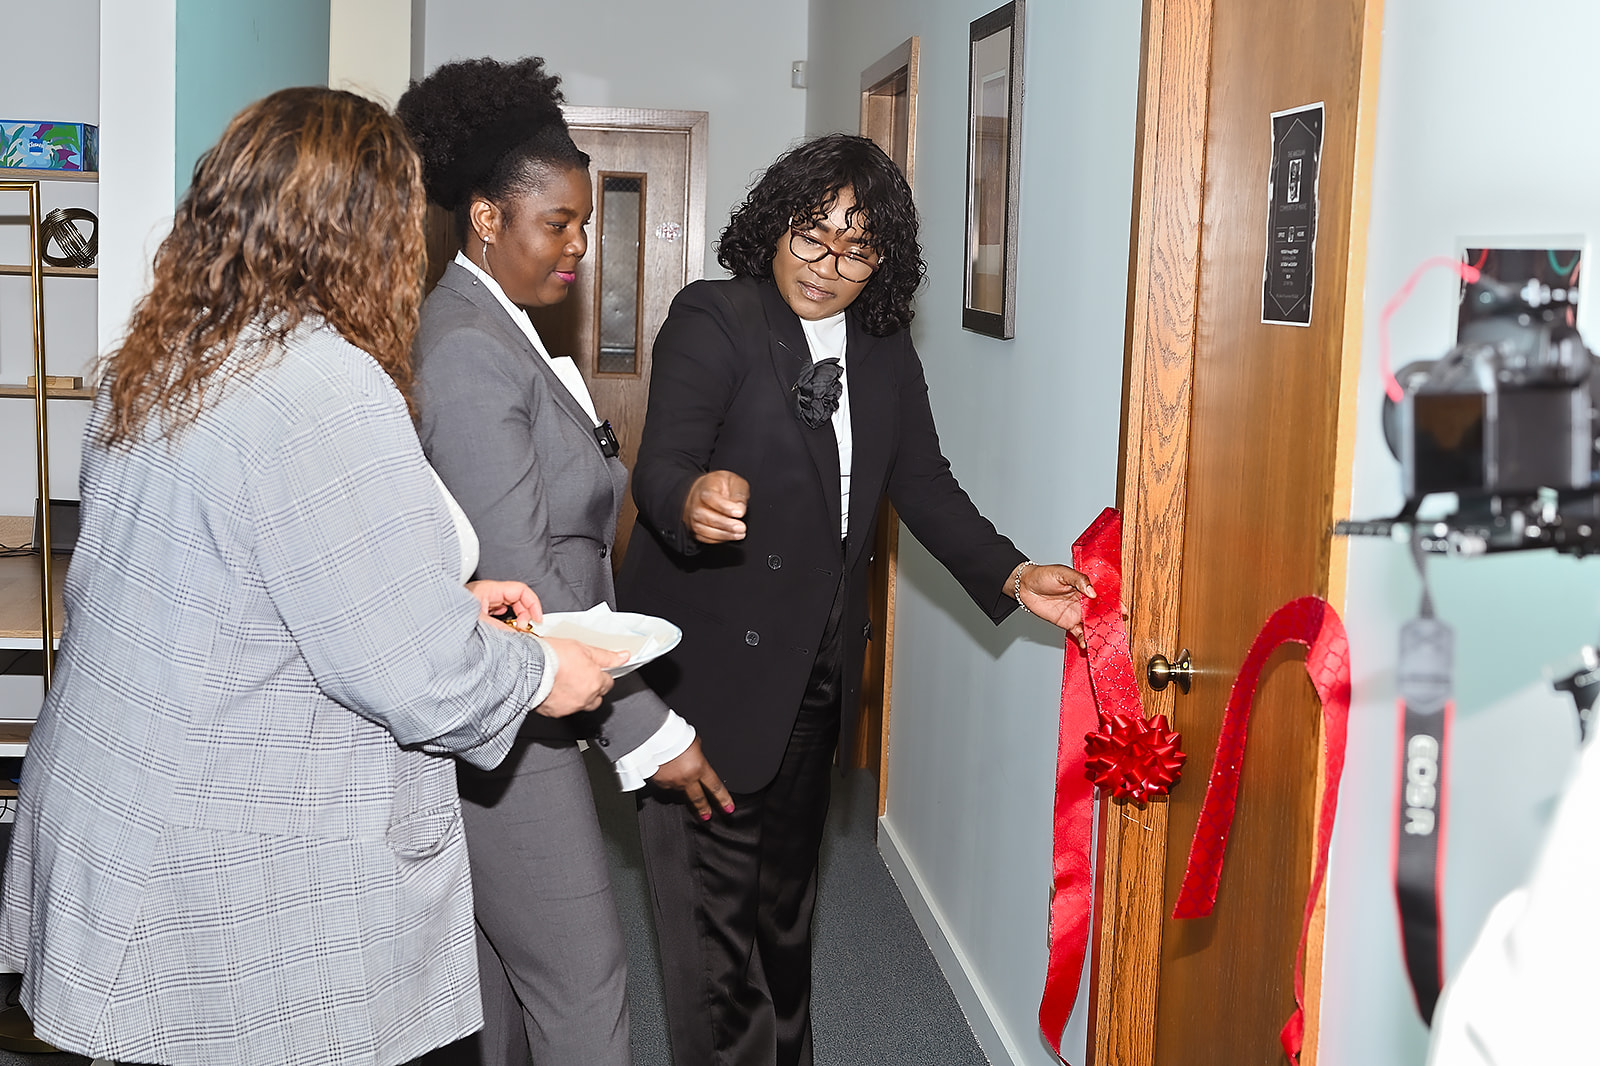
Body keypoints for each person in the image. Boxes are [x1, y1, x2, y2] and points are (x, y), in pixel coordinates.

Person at [0, 87, 625, 1066]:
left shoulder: (161, 358)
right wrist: (551, 672)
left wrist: (438, 596)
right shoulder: (328, 384)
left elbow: (244, 572)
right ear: (365, 231)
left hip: (123, 820)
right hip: (238, 871)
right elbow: (422, 681)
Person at [616, 133, 1096, 1066]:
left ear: (883, 261)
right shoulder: (715, 318)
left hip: (817, 672)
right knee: (715, 950)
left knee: (783, 919)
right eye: (811, 237)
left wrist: (1009, 571)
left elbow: (922, 484)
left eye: (857, 248)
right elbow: (662, 461)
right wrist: (690, 500)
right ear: (774, 228)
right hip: (709, 675)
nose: (829, 268)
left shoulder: (881, 354)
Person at [397, 57, 732, 1066]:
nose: (580, 244)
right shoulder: (464, 347)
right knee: (583, 991)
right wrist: (647, 727)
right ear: (487, 219)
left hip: (535, 704)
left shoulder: (501, 328)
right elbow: (518, 574)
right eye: (558, 222)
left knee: (503, 994)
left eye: (585, 221)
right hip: (511, 714)